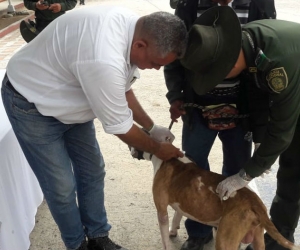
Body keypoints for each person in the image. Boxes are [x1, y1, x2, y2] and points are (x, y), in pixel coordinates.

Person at [1, 6, 187, 250]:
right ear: (140, 46)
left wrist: (151, 127)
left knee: (92, 170)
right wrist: (158, 149)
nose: (156, 69)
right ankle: (77, 245)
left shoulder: (136, 30)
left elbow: (122, 89)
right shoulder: (103, 56)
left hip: (70, 97)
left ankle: (98, 238)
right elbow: (121, 127)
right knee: (62, 187)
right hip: (31, 102)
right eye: (155, 63)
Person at [181, 5, 300, 250]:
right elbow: (258, 96)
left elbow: (282, 129)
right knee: (285, 162)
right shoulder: (249, 44)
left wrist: (247, 173)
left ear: (229, 59)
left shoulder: (277, 64)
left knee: (294, 167)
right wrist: (259, 136)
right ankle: (274, 237)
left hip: (294, 88)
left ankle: (281, 239)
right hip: (292, 91)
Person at [164, 0, 276, 249]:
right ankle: (199, 232)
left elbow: (268, 53)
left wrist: (261, 120)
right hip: (198, 106)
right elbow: (175, 53)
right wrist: (176, 95)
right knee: (192, 171)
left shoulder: (260, 4)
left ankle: (234, 229)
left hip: (242, 108)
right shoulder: (189, 5)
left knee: (237, 172)